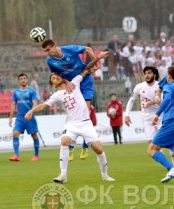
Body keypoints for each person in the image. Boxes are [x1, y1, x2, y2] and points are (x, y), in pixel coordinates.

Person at [25, 52, 114, 183]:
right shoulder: (57, 95)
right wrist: (32, 110)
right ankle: (63, 175)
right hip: (72, 124)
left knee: (98, 149)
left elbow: (85, 69)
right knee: (64, 141)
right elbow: (44, 105)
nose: (56, 78)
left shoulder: (74, 83)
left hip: (85, 123)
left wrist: (98, 58)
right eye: (53, 79)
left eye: (56, 76)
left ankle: (105, 175)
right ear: (53, 85)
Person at [42, 39, 102, 160]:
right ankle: (70, 147)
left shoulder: (69, 49)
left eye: (48, 50)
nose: (47, 53)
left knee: (86, 113)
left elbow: (88, 50)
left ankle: (85, 146)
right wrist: (67, 82)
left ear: (54, 46)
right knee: (73, 113)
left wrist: (96, 64)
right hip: (72, 86)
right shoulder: (50, 61)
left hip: (84, 82)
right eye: (45, 51)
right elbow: (56, 76)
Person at [124, 66, 174, 168]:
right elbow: (131, 100)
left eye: (149, 73)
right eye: (145, 73)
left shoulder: (160, 86)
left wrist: (153, 102)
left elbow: (166, 101)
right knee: (152, 143)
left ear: (154, 74)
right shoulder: (139, 87)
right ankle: (168, 165)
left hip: (160, 116)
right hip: (146, 118)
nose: (147, 75)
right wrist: (127, 115)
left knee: (168, 141)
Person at [8, 73, 40, 161]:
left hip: (30, 117)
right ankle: (16, 155)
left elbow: (35, 103)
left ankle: (36, 155)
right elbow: (13, 104)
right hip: (20, 117)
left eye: (24, 78)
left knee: (34, 135)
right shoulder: (16, 92)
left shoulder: (31, 91)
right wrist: (10, 118)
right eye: (21, 79)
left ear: (27, 80)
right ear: (19, 81)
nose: (23, 80)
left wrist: (31, 112)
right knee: (15, 133)